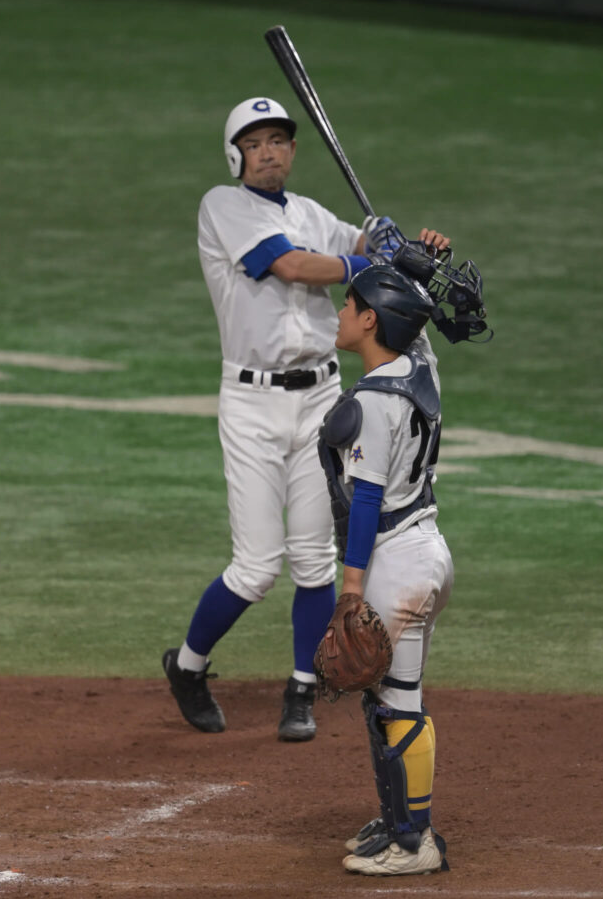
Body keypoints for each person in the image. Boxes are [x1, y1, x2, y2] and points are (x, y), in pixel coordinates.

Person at [162, 95, 449, 742]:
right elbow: (293, 266)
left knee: (315, 560)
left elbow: (368, 247)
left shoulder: (311, 213)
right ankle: (187, 666)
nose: (269, 152)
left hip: (322, 399)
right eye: (255, 142)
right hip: (251, 403)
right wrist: (367, 261)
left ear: (292, 151)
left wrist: (403, 245)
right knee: (257, 567)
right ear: (235, 155)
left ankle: (302, 689)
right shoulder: (223, 206)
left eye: (279, 141)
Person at [317, 263, 453, 875]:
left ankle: (414, 842)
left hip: (397, 563)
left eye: (349, 305)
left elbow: (365, 501)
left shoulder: (373, 400)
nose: (341, 314)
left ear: (371, 319)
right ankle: (398, 820)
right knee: (382, 695)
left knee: (398, 702)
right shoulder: (418, 366)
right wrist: (405, 259)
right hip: (427, 548)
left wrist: (351, 589)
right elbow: (418, 326)